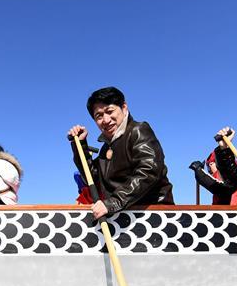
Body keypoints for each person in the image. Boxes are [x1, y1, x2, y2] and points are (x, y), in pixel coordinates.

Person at [67, 86, 173, 220]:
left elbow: (149, 171)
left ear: (124, 108)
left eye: (109, 111)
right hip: (122, 217)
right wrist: (80, 145)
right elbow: (93, 179)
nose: (105, 120)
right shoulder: (106, 147)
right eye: (98, 116)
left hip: (153, 215)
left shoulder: (138, 130)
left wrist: (112, 203)